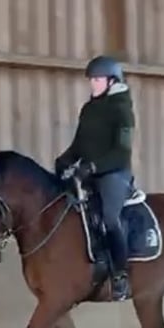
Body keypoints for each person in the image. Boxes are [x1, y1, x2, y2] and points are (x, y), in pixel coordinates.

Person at [54, 55, 135, 301]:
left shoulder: (122, 110)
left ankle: (121, 276)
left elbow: (122, 152)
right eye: (92, 80)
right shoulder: (89, 109)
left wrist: (93, 166)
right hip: (89, 173)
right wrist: (65, 160)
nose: (93, 84)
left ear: (112, 81)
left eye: (98, 80)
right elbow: (78, 145)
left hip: (114, 174)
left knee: (110, 218)